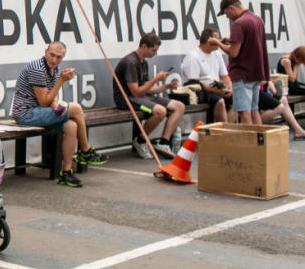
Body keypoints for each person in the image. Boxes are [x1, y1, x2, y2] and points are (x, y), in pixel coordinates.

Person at [11, 41, 106, 188]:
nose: (54, 60)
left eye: (59, 57)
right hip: (26, 114)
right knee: (77, 109)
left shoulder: (54, 69)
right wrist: (61, 80)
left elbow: (52, 97)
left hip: (40, 112)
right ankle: (85, 151)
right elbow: (43, 102)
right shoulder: (37, 68)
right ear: (45, 52)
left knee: (71, 126)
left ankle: (66, 173)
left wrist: (58, 109)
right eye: (52, 55)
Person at [113, 32, 185, 159]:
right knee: (160, 111)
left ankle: (164, 142)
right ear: (144, 46)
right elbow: (135, 91)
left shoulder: (144, 63)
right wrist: (156, 79)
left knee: (179, 106)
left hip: (141, 97)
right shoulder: (130, 62)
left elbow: (147, 90)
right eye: (154, 50)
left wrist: (166, 86)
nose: (155, 54)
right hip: (127, 99)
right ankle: (140, 141)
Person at [209, 0, 268, 125]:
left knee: (244, 112)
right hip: (256, 72)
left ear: (231, 8)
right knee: (254, 110)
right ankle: (260, 141)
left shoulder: (238, 24)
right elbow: (250, 43)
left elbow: (233, 52)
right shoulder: (257, 20)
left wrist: (218, 44)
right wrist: (230, 41)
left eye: (226, 14)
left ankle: (250, 142)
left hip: (243, 73)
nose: (227, 17)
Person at [181, 28, 233, 124]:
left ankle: (226, 127)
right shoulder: (193, 56)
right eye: (217, 39)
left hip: (216, 87)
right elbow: (195, 84)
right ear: (209, 41)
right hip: (202, 90)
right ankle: (225, 131)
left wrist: (230, 88)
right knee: (220, 101)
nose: (220, 41)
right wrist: (219, 92)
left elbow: (225, 76)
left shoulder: (217, 54)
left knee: (239, 100)